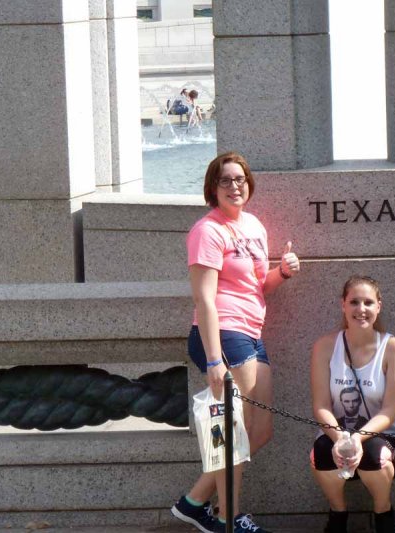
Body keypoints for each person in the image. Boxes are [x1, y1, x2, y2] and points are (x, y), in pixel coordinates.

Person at [170, 151, 300, 533]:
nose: (234, 186)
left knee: (260, 431)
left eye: (240, 179)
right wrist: (213, 360)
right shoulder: (207, 231)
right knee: (235, 432)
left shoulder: (255, 226)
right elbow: (204, 298)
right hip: (222, 335)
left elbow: (260, 286)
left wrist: (283, 272)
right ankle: (226, 519)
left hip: (250, 333)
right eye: (225, 180)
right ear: (212, 188)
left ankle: (194, 502)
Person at [309, 275, 395, 533]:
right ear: (343, 305)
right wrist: (341, 437)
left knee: (376, 455)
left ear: (379, 306)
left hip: (382, 434)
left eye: (368, 302)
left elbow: (390, 410)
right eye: (354, 302)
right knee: (319, 453)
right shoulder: (324, 346)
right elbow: (321, 405)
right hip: (337, 430)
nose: (361, 309)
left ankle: (383, 513)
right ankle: (338, 515)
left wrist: (358, 439)